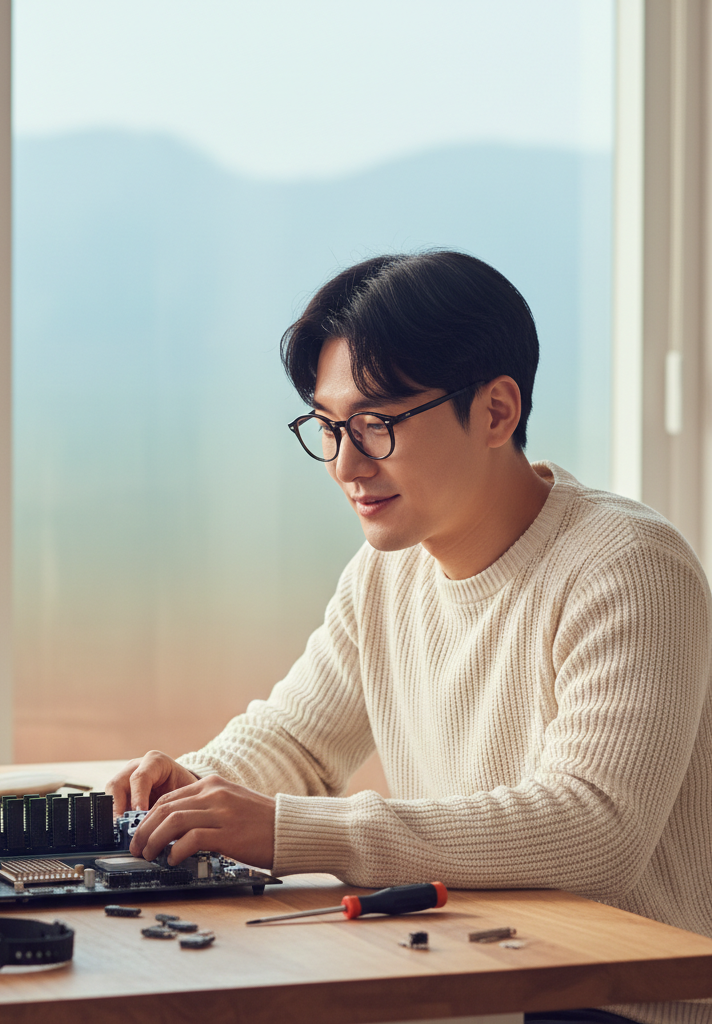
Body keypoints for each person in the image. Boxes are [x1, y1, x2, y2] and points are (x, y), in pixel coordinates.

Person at [105, 251, 712, 1024]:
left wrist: (287, 830)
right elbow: (298, 741)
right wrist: (190, 789)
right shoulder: (387, 572)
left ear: (496, 411)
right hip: (487, 971)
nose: (346, 464)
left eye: (377, 424)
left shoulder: (626, 565)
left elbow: (593, 832)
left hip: (622, 1000)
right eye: (327, 428)